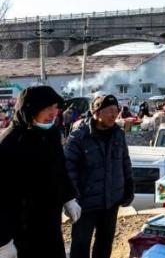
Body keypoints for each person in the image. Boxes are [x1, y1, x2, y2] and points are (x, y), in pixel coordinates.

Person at [0, 86, 80, 258]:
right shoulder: (9, 143)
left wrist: (69, 198)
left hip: (49, 224)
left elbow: (60, 170)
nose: (54, 113)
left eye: (56, 107)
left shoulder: (51, 135)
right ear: (30, 109)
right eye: (47, 108)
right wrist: (3, 241)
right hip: (20, 231)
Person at [65, 94, 134, 258]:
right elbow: (69, 168)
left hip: (111, 201)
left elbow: (125, 161)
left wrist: (129, 185)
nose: (113, 115)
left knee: (104, 244)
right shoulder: (79, 136)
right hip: (85, 203)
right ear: (96, 112)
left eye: (115, 110)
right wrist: (72, 197)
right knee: (80, 246)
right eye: (109, 111)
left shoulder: (118, 133)